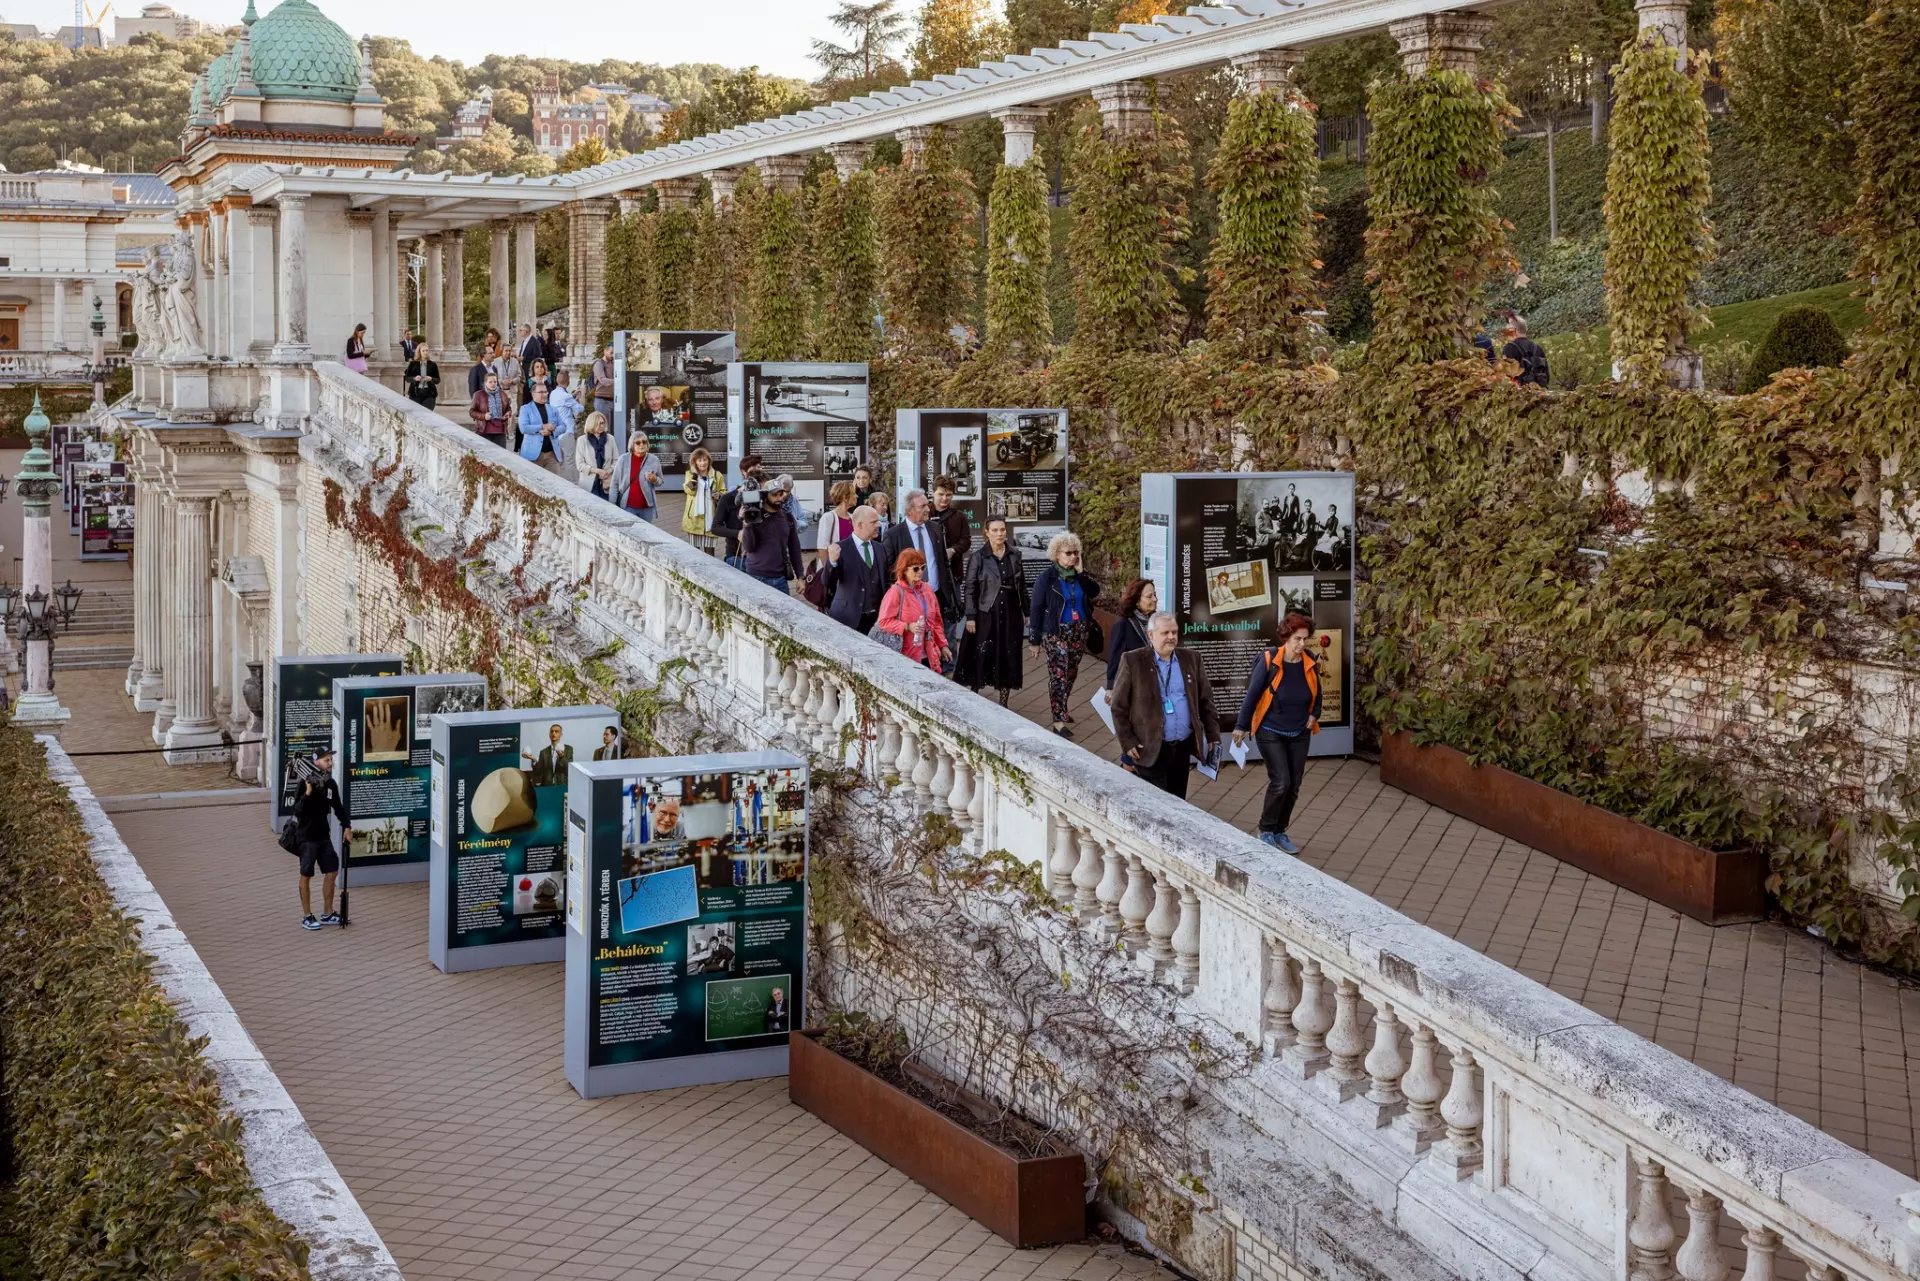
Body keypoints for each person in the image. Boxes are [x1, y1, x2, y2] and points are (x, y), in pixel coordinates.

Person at [1231, 612, 1322, 853]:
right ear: (1286, 638)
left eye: (1305, 639)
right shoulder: (1269, 660)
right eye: (1297, 639)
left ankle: (1280, 831)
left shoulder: (1309, 660)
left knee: (1294, 785)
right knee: (1281, 781)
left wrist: (1315, 715)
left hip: (1300, 731)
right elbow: (1252, 695)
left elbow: (1318, 693)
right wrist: (1241, 725)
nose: (1302, 644)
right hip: (1270, 730)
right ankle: (1266, 830)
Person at [1110, 611, 1220, 801]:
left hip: (1181, 748)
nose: (1171, 637)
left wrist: (1213, 736)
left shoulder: (1192, 659)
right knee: (1156, 804)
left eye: (1174, 632)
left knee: (1177, 801)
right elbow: (1118, 706)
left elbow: (1205, 700)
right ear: (1151, 635)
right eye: (1165, 633)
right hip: (1149, 746)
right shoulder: (1133, 661)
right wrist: (1127, 741)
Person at [1028, 532, 1099, 737]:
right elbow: (1036, 609)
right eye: (1068, 553)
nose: (1073, 557)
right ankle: (1058, 720)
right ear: (1056, 554)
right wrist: (1034, 640)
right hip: (1056, 633)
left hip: (1079, 631)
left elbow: (1094, 591)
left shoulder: (1079, 577)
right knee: (1058, 675)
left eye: (1076, 553)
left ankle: (1062, 708)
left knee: (1071, 673)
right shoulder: (1047, 578)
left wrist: (1082, 573)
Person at [954, 515, 1027, 705]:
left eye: (1002, 529)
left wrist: (1027, 613)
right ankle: (975, 693)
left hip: (1010, 612)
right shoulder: (978, 557)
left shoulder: (1015, 554)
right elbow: (970, 588)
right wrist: (971, 616)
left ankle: (1004, 701)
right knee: (981, 652)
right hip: (986, 613)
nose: (999, 534)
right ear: (986, 532)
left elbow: (1022, 585)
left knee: (1008, 652)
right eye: (995, 530)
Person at [882, 489, 960, 662]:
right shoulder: (893, 535)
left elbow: (941, 563)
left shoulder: (936, 529)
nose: (928, 509)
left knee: (942, 636)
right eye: (923, 506)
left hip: (937, 594)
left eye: (927, 505)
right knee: (916, 643)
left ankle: (944, 670)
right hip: (910, 601)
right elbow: (889, 570)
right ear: (910, 510)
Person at [290, 749, 352, 930]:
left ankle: (327, 913)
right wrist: (308, 793)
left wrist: (346, 826)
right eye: (327, 760)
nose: (330, 763)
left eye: (331, 760)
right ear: (316, 762)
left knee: (332, 870)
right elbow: (297, 810)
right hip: (306, 837)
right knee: (306, 874)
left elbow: (338, 806)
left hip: (323, 835)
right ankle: (307, 916)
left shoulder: (330, 783)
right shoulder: (304, 783)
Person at [877, 548, 950, 671]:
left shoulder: (927, 589)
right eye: (915, 569)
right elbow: (884, 622)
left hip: (929, 653)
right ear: (904, 570)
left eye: (923, 567)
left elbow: (936, 622)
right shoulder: (895, 592)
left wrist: (943, 645)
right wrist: (907, 626)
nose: (920, 572)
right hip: (906, 655)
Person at [824, 504, 886, 633]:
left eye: (878, 521)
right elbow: (827, 582)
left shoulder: (879, 548)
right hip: (849, 619)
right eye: (874, 522)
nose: (878, 525)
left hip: (876, 620)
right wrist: (832, 562)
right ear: (860, 525)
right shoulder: (840, 548)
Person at [739, 473, 805, 594]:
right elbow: (749, 547)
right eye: (775, 495)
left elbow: (794, 548)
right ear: (766, 496)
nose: (779, 498)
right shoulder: (755, 516)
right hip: (757, 577)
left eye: (781, 494)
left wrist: (800, 576)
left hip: (781, 578)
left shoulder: (788, 518)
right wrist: (747, 524)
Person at [1105, 578, 1159, 690]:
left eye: (1155, 594)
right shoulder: (1123, 624)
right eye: (1149, 596)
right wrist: (1111, 687)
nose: (1155, 599)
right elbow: (1115, 658)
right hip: (1134, 683)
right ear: (1137, 602)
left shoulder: (1156, 621)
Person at [711, 453, 762, 568]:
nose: (757, 473)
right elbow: (715, 527)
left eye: (759, 468)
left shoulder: (765, 496)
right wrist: (737, 533)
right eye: (753, 469)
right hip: (736, 554)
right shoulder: (728, 498)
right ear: (744, 472)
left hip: (761, 555)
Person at [517, 384, 572, 476]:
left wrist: (552, 432)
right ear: (533, 394)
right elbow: (523, 428)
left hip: (551, 455)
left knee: (554, 482)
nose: (545, 394)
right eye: (541, 392)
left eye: (546, 392)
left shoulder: (553, 409)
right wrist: (542, 426)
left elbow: (563, 426)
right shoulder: (525, 409)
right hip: (533, 455)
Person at [612, 430, 665, 521]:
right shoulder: (623, 459)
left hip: (647, 508)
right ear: (632, 445)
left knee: (646, 530)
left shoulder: (654, 460)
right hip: (628, 507)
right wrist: (612, 505)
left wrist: (654, 479)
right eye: (638, 443)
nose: (642, 445)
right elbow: (614, 484)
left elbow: (661, 481)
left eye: (644, 442)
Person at [929, 476, 971, 588]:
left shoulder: (959, 516)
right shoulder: (924, 514)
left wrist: (953, 550)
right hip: (926, 575)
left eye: (948, 495)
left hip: (952, 575)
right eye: (941, 494)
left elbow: (966, 540)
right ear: (933, 493)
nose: (944, 498)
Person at [682, 447, 721, 551]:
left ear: (709, 460)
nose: (703, 463)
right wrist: (695, 475)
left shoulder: (717, 475)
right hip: (694, 519)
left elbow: (723, 491)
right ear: (694, 462)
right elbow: (689, 491)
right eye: (699, 460)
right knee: (695, 552)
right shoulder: (689, 474)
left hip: (711, 518)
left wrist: (719, 495)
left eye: (705, 460)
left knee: (710, 553)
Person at [1502, 314, 1551, 387]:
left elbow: (1506, 377)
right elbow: (1546, 374)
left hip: (1520, 392)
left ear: (1513, 330)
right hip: (1540, 390)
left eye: (1507, 330)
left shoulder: (1509, 348)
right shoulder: (1537, 347)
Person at [575, 411, 615, 499]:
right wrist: (598, 471)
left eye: (603, 423)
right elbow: (580, 465)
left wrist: (608, 471)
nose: (601, 426)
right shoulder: (582, 440)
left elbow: (616, 460)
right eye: (598, 423)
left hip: (607, 482)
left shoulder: (610, 439)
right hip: (589, 484)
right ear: (592, 424)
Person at [815, 481, 859, 557]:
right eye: (854, 494)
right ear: (845, 497)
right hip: (835, 562)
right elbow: (822, 548)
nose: (857, 496)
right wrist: (829, 565)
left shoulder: (853, 517)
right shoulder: (828, 517)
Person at [469, 371, 510, 446]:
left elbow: (508, 408)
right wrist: (484, 416)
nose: (493, 384)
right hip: (484, 431)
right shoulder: (478, 395)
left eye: (495, 382)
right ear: (485, 383)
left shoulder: (503, 394)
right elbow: (472, 412)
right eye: (490, 382)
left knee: (501, 452)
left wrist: (507, 413)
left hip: (500, 431)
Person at [404, 344, 439, 409]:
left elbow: (437, 380)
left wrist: (431, 379)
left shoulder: (433, 364)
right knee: (416, 412)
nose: (425, 352)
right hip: (415, 394)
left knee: (427, 412)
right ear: (419, 352)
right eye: (423, 351)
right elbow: (407, 378)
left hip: (429, 394)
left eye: (427, 350)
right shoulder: (413, 364)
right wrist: (414, 378)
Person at [590, 341, 618, 423]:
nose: (613, 355)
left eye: (614, 353)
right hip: (602, 401)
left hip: (613, 400)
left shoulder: (614, 363)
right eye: (611, 352)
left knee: (614, 428)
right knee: (605, 427)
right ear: (605, 351)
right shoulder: (599, 364)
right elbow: (603, 380)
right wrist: (618, 381)